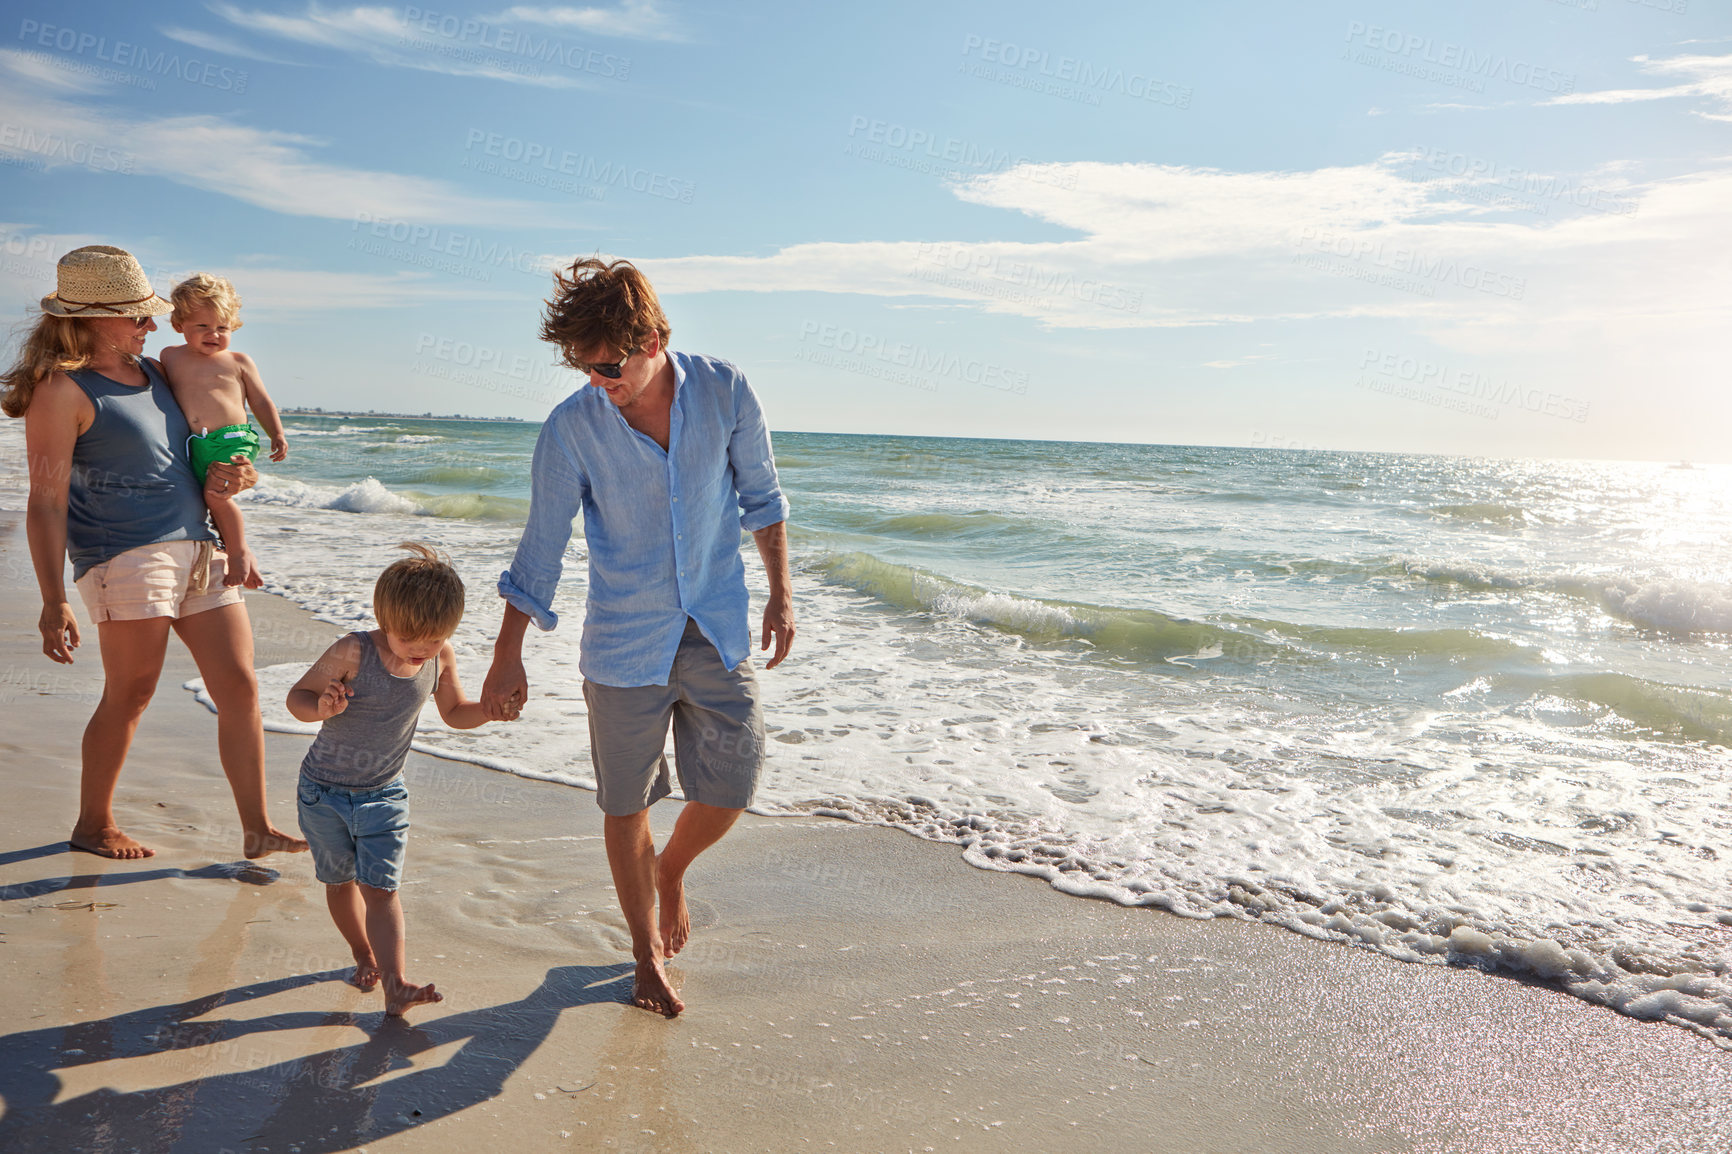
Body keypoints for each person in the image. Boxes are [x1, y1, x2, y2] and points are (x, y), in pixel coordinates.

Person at [482, 257, 794, 1018]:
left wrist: (782, 593)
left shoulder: (725, 391)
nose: (599, 380)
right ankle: (643, 951)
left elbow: (762, 496)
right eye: (584, 367)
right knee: (625, 805)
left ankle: (672, 871)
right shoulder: (572, 429)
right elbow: (542, 544)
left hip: (715, 626)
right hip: (623, 641)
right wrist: (506, 651)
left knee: (732, 785)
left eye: (611, 365)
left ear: (655, 336)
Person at [3, 246, 306, 860]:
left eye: (150, 316)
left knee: (241, 687)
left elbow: (193, 455)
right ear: (89, 319)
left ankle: (257, 827)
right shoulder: (61, 391)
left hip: (200, 549)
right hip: (125, 558)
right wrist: (54, 598)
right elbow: (45, 502)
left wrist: (233, 476)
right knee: (132, 692)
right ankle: (94, 823)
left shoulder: (160, 376)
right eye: (137, 317)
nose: (151, 326)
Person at [286, 542, 494, 1016]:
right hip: (322, 792)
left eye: (435, 640)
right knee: (340, 884)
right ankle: (362, 954)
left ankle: (396, 983)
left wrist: (488, 711)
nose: (422, 650)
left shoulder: (441, 657)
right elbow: (297, 697)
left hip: (384, 794)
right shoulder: (352, 651)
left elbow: (456, 713)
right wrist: (319, 707)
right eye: (410, 640)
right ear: (384, 621)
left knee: (381, 889)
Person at [160, 273, 287, 589]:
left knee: (216, 495)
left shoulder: (237, 361)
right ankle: (244, 557)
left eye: (222, 327)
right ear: (179, 325)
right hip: (197, 445)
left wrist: (277, 434)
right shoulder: (170, 356)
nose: (213, 334)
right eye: (202, 326)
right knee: (208, 502)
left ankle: (240, 553)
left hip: (232, 438)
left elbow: (260, 400)